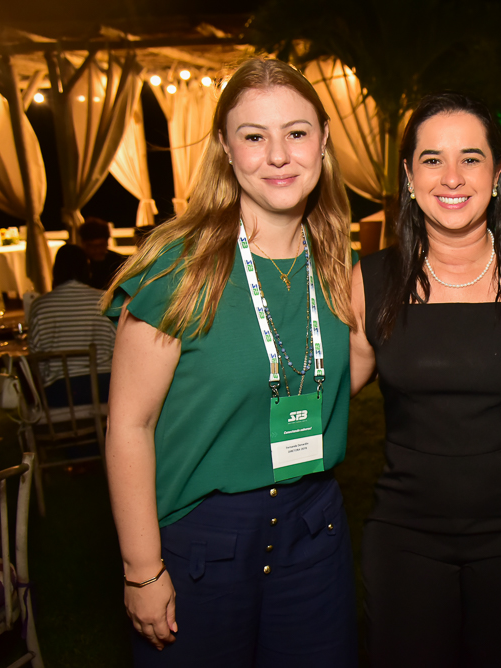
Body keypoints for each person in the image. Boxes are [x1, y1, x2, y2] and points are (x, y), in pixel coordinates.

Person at [101, 58, 357, 667]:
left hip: (314, 532)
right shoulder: (178, 267)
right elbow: (129, 425)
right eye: (254, 136)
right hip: (202, 542)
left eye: (296, 132)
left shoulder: (337, 265)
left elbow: (345, 376)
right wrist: (141, 568)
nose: (279, 155)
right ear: (225, 146)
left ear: (323, 139)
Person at [350, 92, 501, 668]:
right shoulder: (370, 283)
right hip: (406, 538)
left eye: (471, 158)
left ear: (497, 173)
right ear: (409, 174)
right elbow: (316, 396)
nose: (452, 176)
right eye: (433, 159)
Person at [28, 244, 116, 407]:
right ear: (87, 270)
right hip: (104, 388)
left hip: (60, 392)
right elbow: (116, 346)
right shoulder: (104, 301)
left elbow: (36, 356)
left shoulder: (40, 306)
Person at [79, 217, 127, 290]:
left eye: (101, 245)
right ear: (83, 244)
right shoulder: (78, 263)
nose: (97, 250)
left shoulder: (118, 262)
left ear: (107, 242)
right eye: (92, 246)